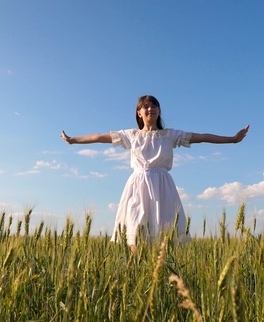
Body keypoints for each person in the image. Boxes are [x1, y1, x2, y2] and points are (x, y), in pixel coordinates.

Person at [60, 95, 249, 252]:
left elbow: (202, 137)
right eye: (146, 106)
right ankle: (136, 271)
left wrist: (232, 139)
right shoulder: (131, 135)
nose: (150, 109)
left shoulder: (170, 135)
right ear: (139, 113)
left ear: (159, 111)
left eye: (154, 106)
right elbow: (99, 137)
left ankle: (161, 273)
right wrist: (73, 140)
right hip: (137, 184)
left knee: (164, 230)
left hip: (163, 186)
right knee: (135, 227)